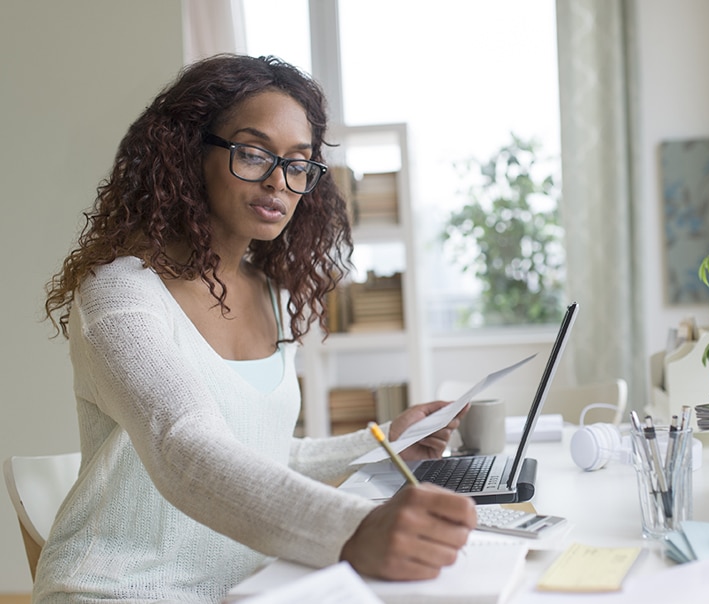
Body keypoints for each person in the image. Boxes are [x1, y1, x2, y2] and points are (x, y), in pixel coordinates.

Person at [38, 53, 476, 603]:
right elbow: (184, 447)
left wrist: (388, 446)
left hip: (256, 587)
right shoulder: (120, 294)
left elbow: (265, 455)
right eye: (252, 153)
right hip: (122, 590)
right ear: (189, 153)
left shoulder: (273, 293)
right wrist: (352, 531)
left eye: (297, 164)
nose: (278, 182)